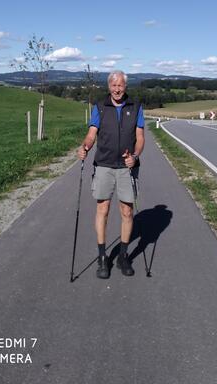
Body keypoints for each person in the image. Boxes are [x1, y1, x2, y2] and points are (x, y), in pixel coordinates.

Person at [78, 70, 145, 278]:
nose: (117, 89)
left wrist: (134, 155)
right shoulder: (100, 107)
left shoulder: (135, 107)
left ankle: (124, 256)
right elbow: (91, 134)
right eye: (114, 86)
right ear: (109, 87)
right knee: (103, 209)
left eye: (121, 86)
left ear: (125, 87)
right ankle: (102, 257)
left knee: (127, 211)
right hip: (104, 164)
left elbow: (140, 137)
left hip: (127, 166)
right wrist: (85, 147)